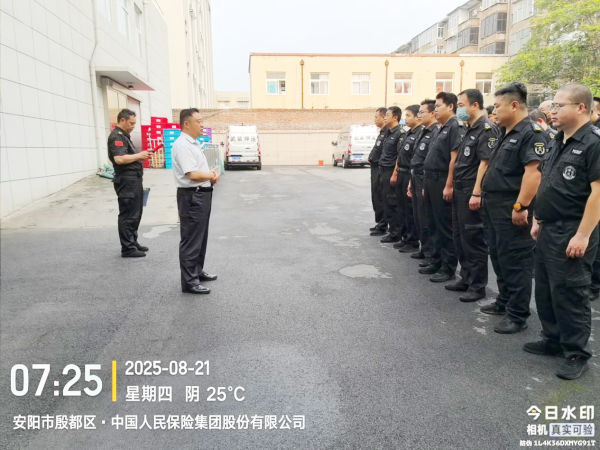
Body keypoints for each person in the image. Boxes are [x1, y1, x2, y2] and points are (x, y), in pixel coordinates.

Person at [526, 84, 600, 380]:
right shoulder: (558, 140)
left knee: (570, 292)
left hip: (573, 228)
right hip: (548, 227)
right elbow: (546, 182)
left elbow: (598, 193)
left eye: (559, 106)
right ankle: (553, 338)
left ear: (580, 108)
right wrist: (537, 218)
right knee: (545, 288)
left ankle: (576, 352)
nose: (552, 111)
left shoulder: (593, 143)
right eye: (552, 106)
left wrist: (582, 235)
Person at [480, 82, 546, 333]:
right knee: (499, 255)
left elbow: (534, 173)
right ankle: (504, 301)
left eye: (498, 106)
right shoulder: (505, 132)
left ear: (515, 105)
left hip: (511, 206)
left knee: (516, 260)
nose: (494, 110)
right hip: (494, 206)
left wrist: (521, 205)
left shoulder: (531, 133)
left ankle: (518, 314)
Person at [448, 89, 498, 302]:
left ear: (474, 105)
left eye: (461, 105)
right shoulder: (469, 128)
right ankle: (466, 278)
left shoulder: (487, 129)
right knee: (460, 237)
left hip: (472, 190)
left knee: (474, 238)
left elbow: (485, 163)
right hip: (460, 189)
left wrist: (477, 192)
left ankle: (477, 286)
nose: (458, 109)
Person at [172, 108, 220, 295]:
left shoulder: (193, 143)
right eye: (198, 121)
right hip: (192, 196)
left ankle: (197, 271)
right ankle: (189, 282)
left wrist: (210, 178)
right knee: (191, 239)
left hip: (201, 194)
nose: (202, 124)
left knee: (200, 237)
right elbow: (191, 174)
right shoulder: (183, 145)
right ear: (186, 124)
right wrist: (211, 174)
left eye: (202, 121)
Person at [420, 92, 464, 283]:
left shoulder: (455, 126)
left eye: (438, 106)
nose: (435, 109)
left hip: (442, 180)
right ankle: (436, 261)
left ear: (450, 107)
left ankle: (448, 267)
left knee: (444, 226)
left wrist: (448, 185)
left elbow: (454, 159)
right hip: (430, 181)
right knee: (433, 223)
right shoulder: (440, 128)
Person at [107, 109, 150, 257]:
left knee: (136, 213)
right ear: (122, 120)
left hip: (134, 180)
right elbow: (119, 159)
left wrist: (140, 156)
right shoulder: (116, 137)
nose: (133, 126)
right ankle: (127, 248)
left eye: (134, 123)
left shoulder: (124, 136)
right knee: (128, 214)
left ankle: (132, 242)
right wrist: (139, 155)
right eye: (131, 123)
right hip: (126, 181)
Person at [408, 100, 437, 264]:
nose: (419, 115)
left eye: (422, 112)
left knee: (426, 217)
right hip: (415, 176)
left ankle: (430, 254)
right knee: (418, 216)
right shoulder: (423, 131)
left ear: (432, 113)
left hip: (424, 177)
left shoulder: (435, 132)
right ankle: (424, 248)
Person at [391, 105, 421, 253]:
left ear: (417, 117)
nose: (405, 119)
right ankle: (405, 237)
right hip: (401, 173)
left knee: (410, 209)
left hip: (410, 173)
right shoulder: (409, 133)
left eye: (408, 115)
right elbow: (400, 155)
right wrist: (395, 172)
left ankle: (412, 240)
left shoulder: (420, 133)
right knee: (401, 207)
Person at [378, 106, 405, 243]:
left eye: (387, 115)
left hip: (391, 171)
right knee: (385, 202)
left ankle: (396, 232)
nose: (385, 117)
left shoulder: (400, 133)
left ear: (395, 117)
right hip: (383, 170)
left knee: (392, 202)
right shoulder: (388, 132)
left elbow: (400, 156)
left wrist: (395, 174)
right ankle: (392, 230)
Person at [368, 108, 389, 236]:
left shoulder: (388, 132)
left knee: (381, 198)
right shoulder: (382, 132)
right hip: (375, 168)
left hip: (381, 168)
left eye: (376, 117)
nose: (375, 120)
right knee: (376, 197)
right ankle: (380, 222)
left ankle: (383, 225)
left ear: (384, 118)